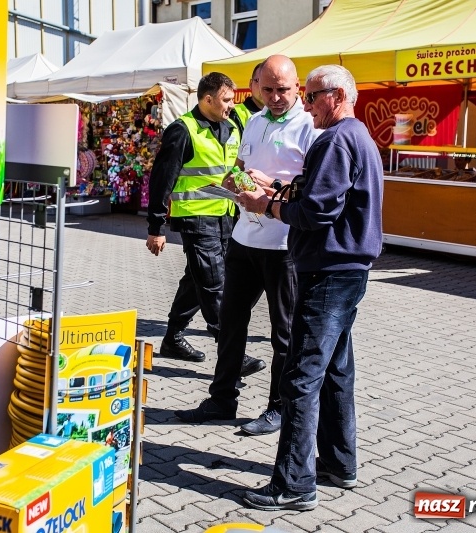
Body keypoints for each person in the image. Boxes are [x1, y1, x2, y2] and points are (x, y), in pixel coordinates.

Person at [236, 64, 384, 511]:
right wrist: (278, 187)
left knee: (300, 377)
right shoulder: (356, 137)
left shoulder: (335, 139)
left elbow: (316, 212)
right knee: (336, 370)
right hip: (346, 269)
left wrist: (267, 205)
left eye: (312, 95)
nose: (305, 103)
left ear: (336, 96)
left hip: (329, 271)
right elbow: (321, 197)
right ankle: (339, 463)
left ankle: (293, 485)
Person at [174, 55, 321, 436]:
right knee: (230, 323)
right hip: (244, 237)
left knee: (283, 332)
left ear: (297, 86)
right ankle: (222, 399)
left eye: (282, 90)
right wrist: (236, 180)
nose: (274, 97)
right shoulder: (252, 121)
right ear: (256, 86)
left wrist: (268, 184)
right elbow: (239, 164)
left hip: (284, 245)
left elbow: (310, 192)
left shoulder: (310, 128)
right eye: (267, 89)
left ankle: (278, 407)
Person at [145, 72, 263, 375]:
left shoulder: (232, 125)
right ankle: (233, 353)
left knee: (196, 280)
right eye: (225, 100)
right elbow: (162, 179)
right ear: (207, 99)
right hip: (196, 219)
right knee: (215, 285)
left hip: (226, 216)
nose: (231, 105)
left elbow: (234, 168)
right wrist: (155, 228)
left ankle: (172, 338)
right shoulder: (183, 130)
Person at [232, 61, 265, 127]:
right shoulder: (234, 114)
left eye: (269, 82)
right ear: (250, 84)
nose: (264, 86)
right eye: (258, 81)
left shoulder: (280, 114)